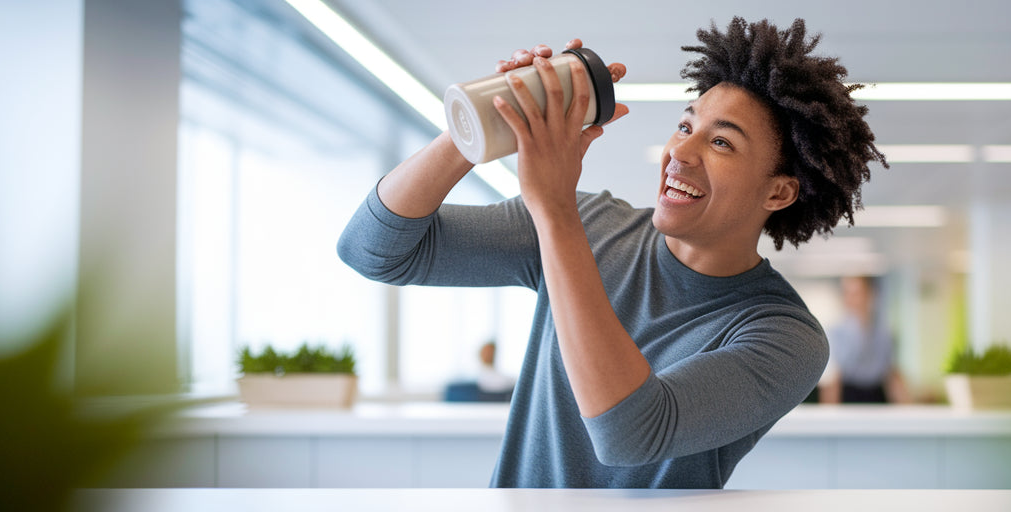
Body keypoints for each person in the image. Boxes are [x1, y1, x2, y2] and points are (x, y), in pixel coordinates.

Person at [337, 17, 885, 488]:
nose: (680, 152)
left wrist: (552, 209)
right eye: (685, 125)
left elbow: (629, 432)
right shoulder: (593, 223)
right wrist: (474, 132)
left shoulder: (784, 335)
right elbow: (374, 249)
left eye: (721, 142)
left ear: (779, 191)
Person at [817, 275, 911, 404]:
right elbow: (834, 378)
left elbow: (891, 374)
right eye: (847, 293)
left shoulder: (884, 333)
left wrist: (909, 410)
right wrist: (829, 416)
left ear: (870, 294)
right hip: (849, 394)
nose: (850, 299)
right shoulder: (836, 332)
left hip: (876, 394)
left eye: (856, 293)